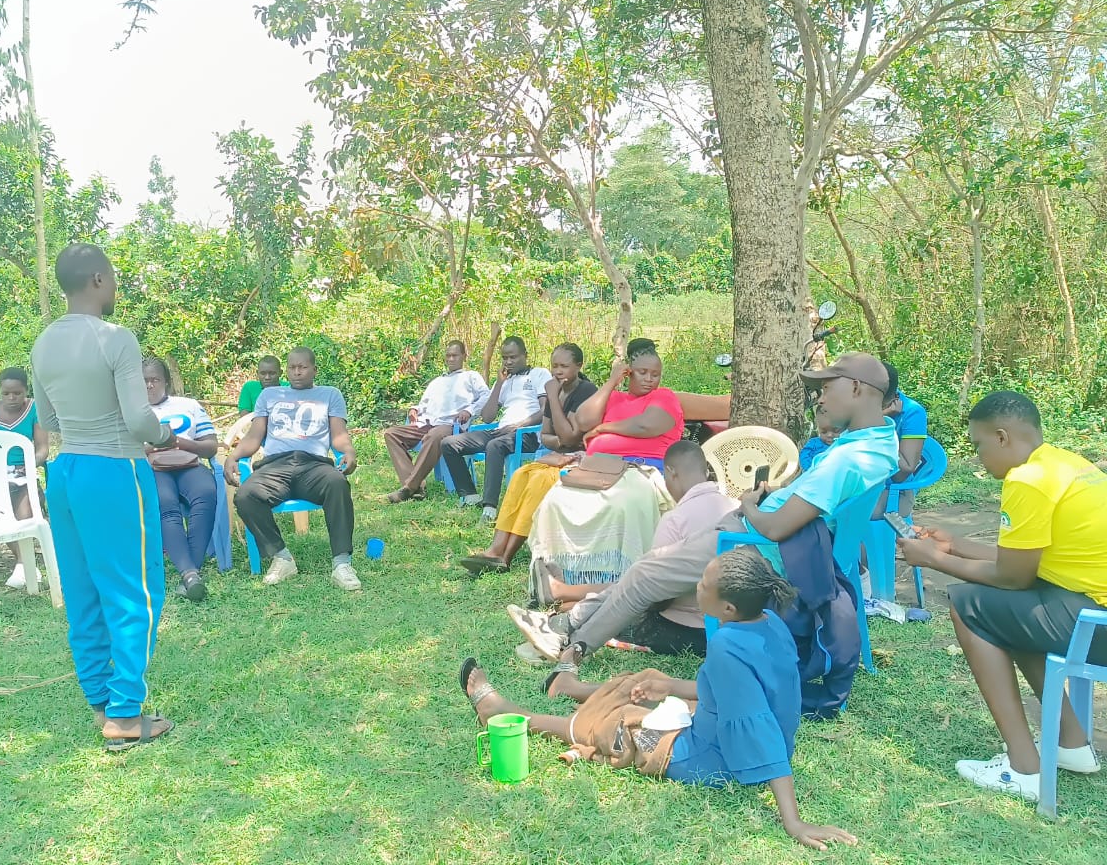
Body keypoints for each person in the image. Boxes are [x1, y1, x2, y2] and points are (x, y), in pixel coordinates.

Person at [459, 548, 857, 851]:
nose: (697, 586)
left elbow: (759, 729)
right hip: (710, 725)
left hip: (706, 756)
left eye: (703, 585)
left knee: (622, 727)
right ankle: (574, 690)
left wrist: (793, 821)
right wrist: (670, 686)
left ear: (727, 607)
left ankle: (513, 716)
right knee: (643, 682)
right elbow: (735, 690)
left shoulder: (727, 648)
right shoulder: (770, 625)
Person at [900, 391, 1107, 801]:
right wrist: (955, 545)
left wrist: (933, 560)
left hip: (1096, 625)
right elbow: (1025, 563)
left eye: (978, 446)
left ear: (1001, 437)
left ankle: (1024, 768)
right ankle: (1070, 743)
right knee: (1007, 613)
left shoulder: (1028, 480)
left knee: (969, 605)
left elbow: (1012, 579)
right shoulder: (1065, 465)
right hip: (1090, 609)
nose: (978, 458)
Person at [31, 242, 179, 751]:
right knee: (133, 593)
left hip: (67, 472)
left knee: (84, 592)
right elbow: (138, 419)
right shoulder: (116, 338)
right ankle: (124, 714)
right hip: (115, 471)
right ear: (97, 279)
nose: (115, 286)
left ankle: (100, 701)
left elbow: (48, 419)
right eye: (112, 277)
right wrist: (165, 435)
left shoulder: (43, 344)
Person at [509, 440, 737, 661]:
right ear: (706, 472)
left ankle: (568, 635)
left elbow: (651, 597)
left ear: (670, 473)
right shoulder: (733, 510)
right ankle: (563, 612)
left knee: (621, 606)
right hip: (730, 623)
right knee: (626, 586)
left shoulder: (676, 519)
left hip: (685, 628)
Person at [525, 338, 686, 586]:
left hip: (640, 467)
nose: (649, 379)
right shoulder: (615, 398)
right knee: (555, 501)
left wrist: (604, 428)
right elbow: (583, 421)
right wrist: (612, 382)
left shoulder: (663, 397)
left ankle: (614, 574)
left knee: (623, 503)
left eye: (655, 374)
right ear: (628, 372)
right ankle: (563, 569)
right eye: (642, 372)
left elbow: (646, 425)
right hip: (597, 467)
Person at [224, 346, 361, 590]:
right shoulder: (269, 396)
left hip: (313, 465)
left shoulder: (330, 395)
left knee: (337, 484)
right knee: (246, 495)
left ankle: (342, 564)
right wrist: (233, 456)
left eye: (302, 367)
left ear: (314, 370)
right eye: (292, 367)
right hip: (275, 466)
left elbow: (339, 435)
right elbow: (255, 435)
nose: (296, 372)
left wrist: (348, 452)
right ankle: (281, 557)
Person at [458, 343, 597, 573]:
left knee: (538, 483)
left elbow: (569, 437)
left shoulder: (586, 391)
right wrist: (560, 442)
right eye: (554, 366)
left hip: (580, 458)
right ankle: (495, 549)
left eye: (564, 366)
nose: (557, 371)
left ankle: (506, 556)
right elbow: (546, 436)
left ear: (579, 366)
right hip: (556, 456)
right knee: (520, 476)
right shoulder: (556, 391)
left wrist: (554, 406)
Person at [438, 336, 552, 521]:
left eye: (513, 357)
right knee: (449, 443)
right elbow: (487, 416)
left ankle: (489, 507)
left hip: (527, 433)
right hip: (502, 431)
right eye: (505, 358)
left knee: (495, 445)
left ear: (525, 355)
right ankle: (470, 496)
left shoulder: (539, 374)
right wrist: (499, 383)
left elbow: (545, 409)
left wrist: (517, 426)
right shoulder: (505, 380)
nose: (508, 362)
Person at [143, 356, 219, 603]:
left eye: (155, 380)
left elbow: (210, 446)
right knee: (165, 502)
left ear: (166, 382)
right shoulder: (131, 412)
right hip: (153, 469)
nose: (149, 385)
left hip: (189, 464)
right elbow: (123, 452)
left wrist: (177, 442)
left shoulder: (188, 405)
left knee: (206, 492)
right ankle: (190, 574)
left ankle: (190, 574)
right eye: (144, 381)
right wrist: (153, 447)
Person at [0, 366, 49, 589]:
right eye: (6, 393)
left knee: (25, 507)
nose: (11, 398)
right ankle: (26, 564)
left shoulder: (35, 409)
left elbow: (42, 449)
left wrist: (28, 466)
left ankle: (23, 565)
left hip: (24, 471)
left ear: (26, 391)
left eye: (17, 393)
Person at [383, 340, 488, 503]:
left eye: (455, 355)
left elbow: (486, 396)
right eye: (448, 355)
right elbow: (423, 404)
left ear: (464, 356)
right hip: (427, 423)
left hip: (451, 426)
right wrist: (414, 409)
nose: (451, 359)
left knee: (434, 435)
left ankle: (409, 488)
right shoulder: (437, 381)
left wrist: (469, 411)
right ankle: (417, 486)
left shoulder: (471, 377)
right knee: (391, 434)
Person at [881, 361, 928, 511]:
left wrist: (882, 423)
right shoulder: (853, 406)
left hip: (893, 490)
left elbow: (902, 472)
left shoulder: (912, 412)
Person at [798, 406, 840, 472]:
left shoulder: (843, 444)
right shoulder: (813, 443)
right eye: (824, 432)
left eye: (836, 431)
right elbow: (804, 456)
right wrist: (810, 470)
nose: (829, 435)